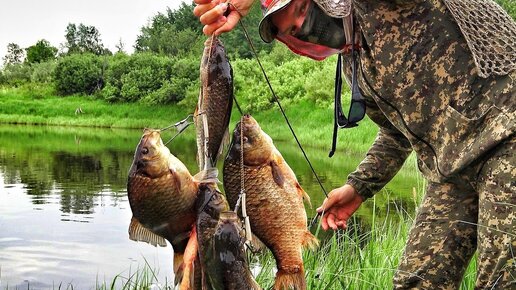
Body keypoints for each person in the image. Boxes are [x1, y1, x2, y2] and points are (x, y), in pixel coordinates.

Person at [193, 0, 516, 288]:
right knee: (416, 279)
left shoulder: (384, 6)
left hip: (508, 138)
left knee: (503, 277)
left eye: (304, 12)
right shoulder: (356, 67)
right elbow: (394, 134)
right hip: (452, 172)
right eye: (293, 30)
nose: (307, 30)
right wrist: (358, 187)